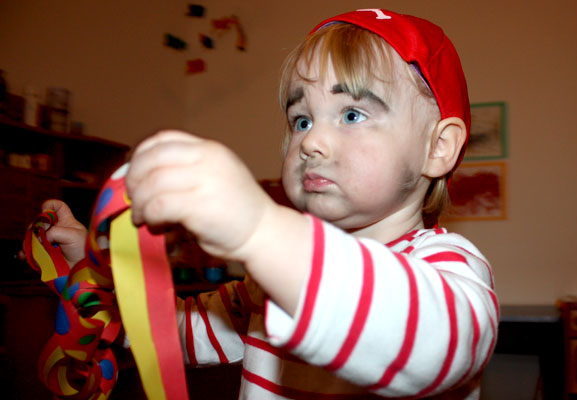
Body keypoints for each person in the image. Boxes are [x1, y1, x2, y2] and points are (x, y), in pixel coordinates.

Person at [40, 9, 498, 399]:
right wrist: (103, 269)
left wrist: (260, 229)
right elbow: (175, 333)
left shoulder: (450, 268)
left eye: (352, 114)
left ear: (438, 148)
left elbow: (435, 346)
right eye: (301, 119)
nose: (311, 141)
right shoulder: (265, 284)